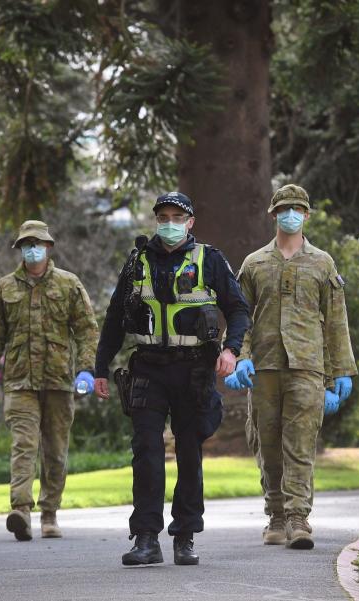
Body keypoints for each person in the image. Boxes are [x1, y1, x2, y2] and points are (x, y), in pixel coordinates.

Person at [94, 192, 250, 567]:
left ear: (190, 221)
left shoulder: (209, 260)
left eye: (176, 216)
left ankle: (185, 535)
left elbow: (238, 308)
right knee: (146, 451)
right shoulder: (138, 262)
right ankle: (146, 538)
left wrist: (232, 350)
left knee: (189, 452)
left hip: (195, 368)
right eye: (162, 216)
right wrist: (100, 368)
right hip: (148, 367)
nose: (169, 222)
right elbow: (115, 317)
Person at [224, 184, 357, 550]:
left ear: (307, 215)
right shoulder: (254, 264)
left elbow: (335, 320)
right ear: (273, 214)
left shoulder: (322, 263)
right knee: (266, 444)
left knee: (299, 444)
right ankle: (276, 515)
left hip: (307, 367)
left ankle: (299, 518)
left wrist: (341, 370)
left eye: (298, 208)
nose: (291, 214)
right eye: (284, 208)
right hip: (264, 367)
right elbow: (239, 316)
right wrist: (240, 355)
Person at [0, 220, 99, 541]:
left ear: (48, 247)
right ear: (19, 249)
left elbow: (87, 329)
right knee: (24, 445)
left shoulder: (69, 285)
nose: (33, 249)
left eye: (38, 243)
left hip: (59, 380)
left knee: (55, 450)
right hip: (20, 383)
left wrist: (86, 368)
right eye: (27, 244)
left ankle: (49, 513)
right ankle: (21, 510)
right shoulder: (5, 288)